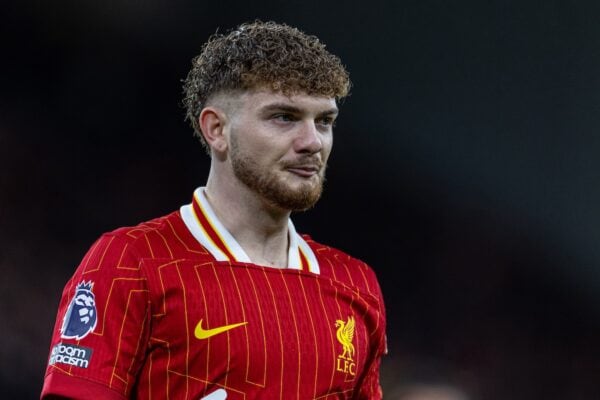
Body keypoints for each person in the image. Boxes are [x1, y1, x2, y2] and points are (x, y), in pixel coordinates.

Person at [41, 20, 387, 400]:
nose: (312, 142)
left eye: (324, 121)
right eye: (284, 117)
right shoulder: (130, 263)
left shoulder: (355, 284)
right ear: (216, 129)